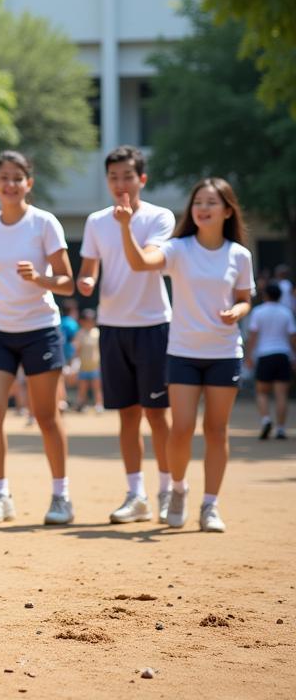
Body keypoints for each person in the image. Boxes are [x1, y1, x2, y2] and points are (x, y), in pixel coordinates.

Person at [117, 177, 253, 533]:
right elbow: (141, 263)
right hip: (183, 352)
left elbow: (244, 298)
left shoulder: (239, 255)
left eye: (211, 202)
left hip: (224, 351)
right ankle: (178, 490)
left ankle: (210, 505)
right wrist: (126, 227)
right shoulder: (179, 248)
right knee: (181, 429)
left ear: (227, 210)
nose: (203, 209)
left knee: (216, 429)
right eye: (198, 203)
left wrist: (237, 312)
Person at [0, 151, 75, 527]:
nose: (10, 184)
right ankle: (0, 494)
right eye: (3, 178)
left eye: (17, 177)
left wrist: (40, 279)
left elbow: (68, 281)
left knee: (45, 415)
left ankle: (61, 496)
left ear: (29, 183)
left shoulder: (45, 224)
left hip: (41, 329)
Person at [77, 145, 175, 524]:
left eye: (128, 177)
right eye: (114, 177)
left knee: (157, 414)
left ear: (142, 179)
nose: (120, 184)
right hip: (113, 327)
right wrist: (86, 281)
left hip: (152, 325)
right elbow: (90, 268)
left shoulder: (159, 217)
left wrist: (125, 225)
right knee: (127, 417)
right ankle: (137, 495)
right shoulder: (96, 221)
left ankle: (168, 492)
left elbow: (146, 260)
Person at [246, 281, 296, 440]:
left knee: (262, 392)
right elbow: (292, 337)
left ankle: (266, 419)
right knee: (281, 394)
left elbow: (253, 336)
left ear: (265, 295)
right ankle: (281, 429)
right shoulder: (286, 312)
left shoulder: (258, 312)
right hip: (282, 355)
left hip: (264, 355)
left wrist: (248, 356)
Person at [74, 309, 103, 412]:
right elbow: (77, 349)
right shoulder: (80, 333)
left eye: (91, 320)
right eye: (86, 320)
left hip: (96, 366)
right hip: (83, 366)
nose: (89, 322)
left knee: (97, 387)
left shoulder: (97, 333)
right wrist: (75, 362)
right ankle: (82, 404)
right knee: (82, 387)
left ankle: (99, 404)